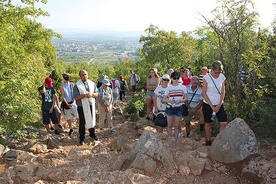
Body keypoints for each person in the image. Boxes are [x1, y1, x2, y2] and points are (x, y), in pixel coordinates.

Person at [202, 61, 227, 146]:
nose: (218, 75)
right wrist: (212, 107)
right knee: (208, 123)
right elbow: (204, 93)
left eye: (219, 73)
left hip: (219, 103)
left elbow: (223, 90)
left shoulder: (222, 77)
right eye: (216, 73)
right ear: (212, 70)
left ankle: (220, 141)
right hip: (208, 104)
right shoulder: (206, 78)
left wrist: (220, 104)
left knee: (224, 123)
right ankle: (208, 140)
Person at [73, 70, 99, 145]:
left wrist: (92, 94)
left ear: (87, 75)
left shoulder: (92, 83)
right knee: (82, 122)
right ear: (80, 76)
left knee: (91, 120)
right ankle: (82, 137)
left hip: (91, 105)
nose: (84, 76)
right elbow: (75, 97)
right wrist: (84, 95)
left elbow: (97, 94)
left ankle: (92, 134)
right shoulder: (77, 85)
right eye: (82, 75)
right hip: (81, 106)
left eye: (85, 74)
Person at [163, 72, 187, 139]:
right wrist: (171, 101)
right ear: (171, 79)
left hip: (178, 108)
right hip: (170, 108)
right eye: (174, 78)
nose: (176, 80)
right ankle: (170, 138)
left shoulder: (183, 87)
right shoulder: (168, 88)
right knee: (169, 125)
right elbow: (164, 99)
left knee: (176, 125)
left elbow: (186, 98)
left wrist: (180, 101)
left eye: (177, 78)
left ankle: (176, 139)